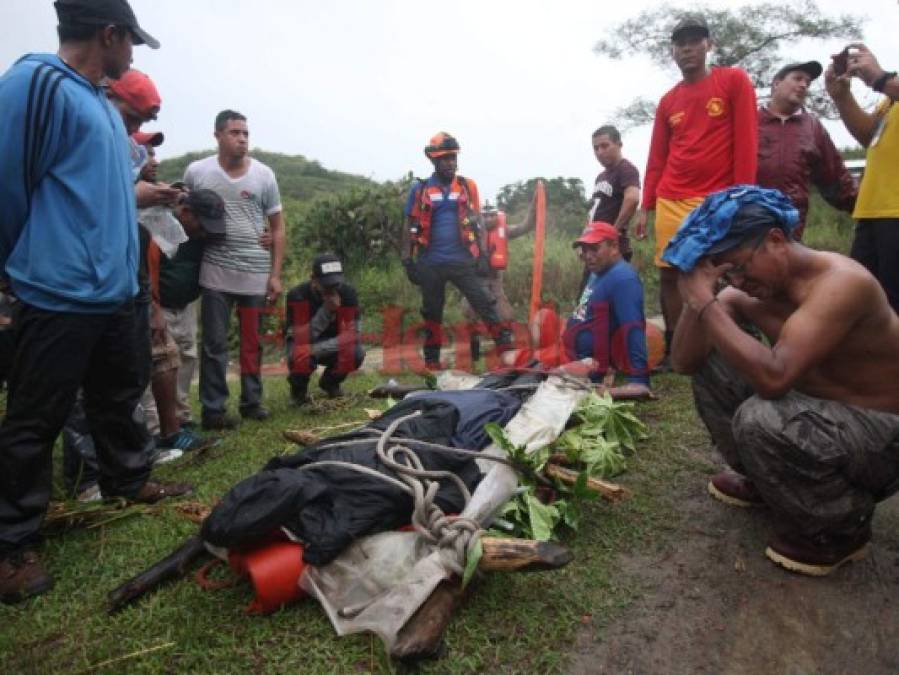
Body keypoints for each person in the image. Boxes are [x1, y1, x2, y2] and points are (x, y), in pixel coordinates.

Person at [0, 0, 191, 604]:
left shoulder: (102, 104)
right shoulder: (36, 83)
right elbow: (7, 179)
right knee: (36, 417)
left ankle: (128, 479)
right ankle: (11, 543)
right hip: (58, 287)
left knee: (117, 393)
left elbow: (102, 183)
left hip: (115, 288)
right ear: (109, 35)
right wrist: (10, 267)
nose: (132, 54)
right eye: (131, 42)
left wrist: (147, 193)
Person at [666, 185, 899, 577]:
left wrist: (706, 303)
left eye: (739, 265)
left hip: (885, 436)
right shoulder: (752, 293)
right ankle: (769, 483)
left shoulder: (841, 283)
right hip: (828, 421)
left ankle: (840, 532)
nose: (737, 280)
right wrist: (697, 299)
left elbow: (775, 379)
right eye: (727, 272)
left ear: (776, 240)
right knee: (714, 362)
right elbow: (686, 363)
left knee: (763, 417)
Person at [635, 15, 757, 363]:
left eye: (694, 40)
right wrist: (647, 203)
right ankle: (678, 346)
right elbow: (657, 156)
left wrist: (743, 195)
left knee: (724, 269)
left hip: (717, 198)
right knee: (670, 273)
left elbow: (746, 141)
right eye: (680, 43)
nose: (687, 48)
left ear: (708, 45)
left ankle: (729, 342)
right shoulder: (668, 101)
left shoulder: (733, 80)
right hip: (671, 198)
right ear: (673, 51)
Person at [184, 110, 286, 429]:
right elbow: (183, 212)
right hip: (215, 271)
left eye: (246, 133)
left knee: (251, 342)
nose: (242, 139)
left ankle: (252, 402)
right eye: (235, 133)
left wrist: (275, 274)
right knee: (214, 343)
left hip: (255, 272)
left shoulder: (264, 176)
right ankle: (213, 410)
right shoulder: (197, 172)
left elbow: (278, 227)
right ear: (218, 136)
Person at [402, 132, 512, 369]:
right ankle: (432, 362)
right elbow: (408, 225)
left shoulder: (466, 186)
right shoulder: (419, 189)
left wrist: (483, 255)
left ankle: (506, 350)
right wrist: (407, 261)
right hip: (430, 262)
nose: (451, 163)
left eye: (453, 158)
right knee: (432, 312)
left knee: (483, 302)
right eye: (446, 159)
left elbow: (477, 221)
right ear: (434, 161)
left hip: (462, 260)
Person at [826, 43, 899, 313]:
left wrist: (879, 78)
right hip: (874, 211)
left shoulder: (890, 85)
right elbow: (871, 136)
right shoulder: (891, 95)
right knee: (865, 308)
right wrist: (842, 97)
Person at [756, 61, 856, 239]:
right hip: (747, 223)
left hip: (791, 227)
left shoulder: (813, 127)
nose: (803, 85)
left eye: (807, 83)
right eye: (797, 78)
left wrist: (866, 208)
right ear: (776, 83)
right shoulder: (749, 120)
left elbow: (835, 178)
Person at [557, 221, 651, 397]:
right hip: (570, 354)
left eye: (594, 248)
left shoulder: (623, 279)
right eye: (584, 250)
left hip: (589, 365)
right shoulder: (597, 272)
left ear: (614, 246)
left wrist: (639, 380)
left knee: (529, 373)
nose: (588, 255)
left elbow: (633, 328)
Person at [285, 253, 365, 405]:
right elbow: (299, 338)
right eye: (326, 285)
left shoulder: (348, 293)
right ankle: (298, 392)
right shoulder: (297, 295)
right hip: (304, 343)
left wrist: (316, 350)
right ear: (313, 279)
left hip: (330, 343)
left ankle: (330, 383)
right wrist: (326, 312)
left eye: (336, 284)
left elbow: (352, 335)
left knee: (356, 353)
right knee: (300, 355)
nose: (332, 289)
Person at [462, 204, 535, 363]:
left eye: (492, 215)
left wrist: (533, 209)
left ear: (498, 215)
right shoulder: (471, 231)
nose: (489, 219)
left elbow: (525, 227)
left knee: (505, 315)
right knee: (470, 313)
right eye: (486, 216)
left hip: (494, 281)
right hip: (475, 280)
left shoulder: (505, 230)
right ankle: (475, 353)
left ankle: (506, 351)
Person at [588, 125, 641, 261]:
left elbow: (633, 199)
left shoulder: (626, 169)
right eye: (596, 148)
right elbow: (594, 211)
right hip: (595, 245)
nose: (599, 152)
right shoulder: (600, 177)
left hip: (612, 247)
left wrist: (612, 233)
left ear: (619, 145)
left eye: (605, 146)